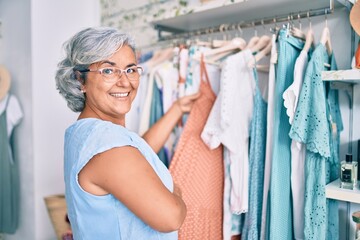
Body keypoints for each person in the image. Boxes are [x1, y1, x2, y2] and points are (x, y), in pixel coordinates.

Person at [55, 26, 200, 240]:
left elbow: (137, 154)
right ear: (80, 80)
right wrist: (175, 190)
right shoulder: (108, 146)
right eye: (108, 70)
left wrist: (177, 109)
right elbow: (172, 217)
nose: (125, 81)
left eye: (131, 69)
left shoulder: (86, 134)